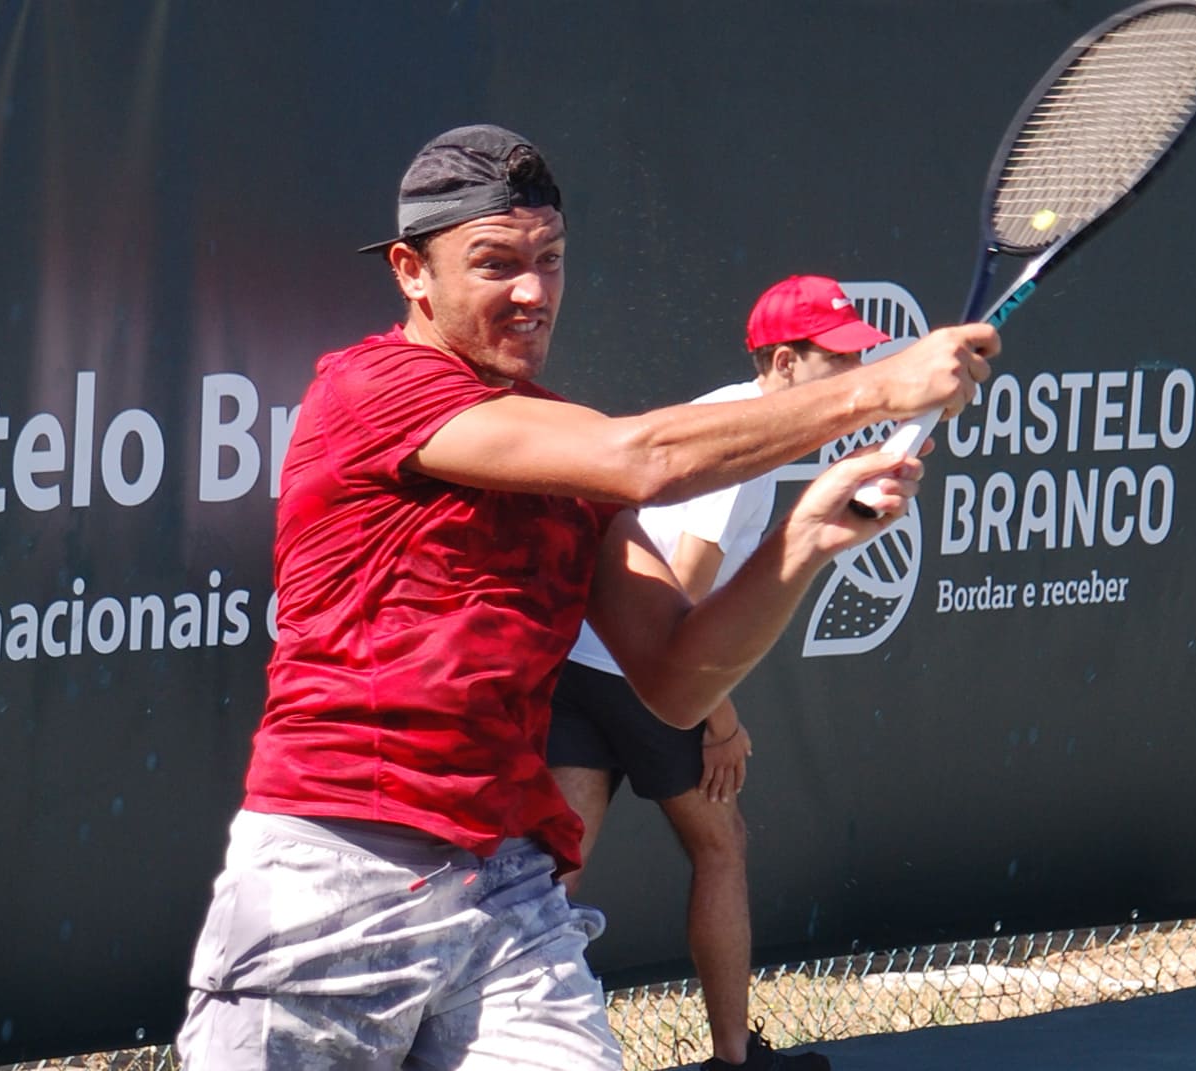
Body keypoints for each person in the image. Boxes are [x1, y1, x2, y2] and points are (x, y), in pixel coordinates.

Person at [177, 123, 997, 1071]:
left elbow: (676, 680)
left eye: (551, 260)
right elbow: (642, 460)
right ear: (411, 271)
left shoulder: (565, 448)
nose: (533, 292)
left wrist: (804, 536)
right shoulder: (373, 387)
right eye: (496, 264)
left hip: (505, 892)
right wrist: (876, 390)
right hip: (335, 871)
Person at [549, 274, 890, 1071]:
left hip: (578, 661)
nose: (851, 379)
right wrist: (721, 721)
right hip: (636, 673)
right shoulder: (739, 449)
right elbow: (679, 612)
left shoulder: (727, 419)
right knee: (723, 845)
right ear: (780, 363)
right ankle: (734, 1060)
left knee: (549, 880)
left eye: (858, 358)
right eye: (834, 360)